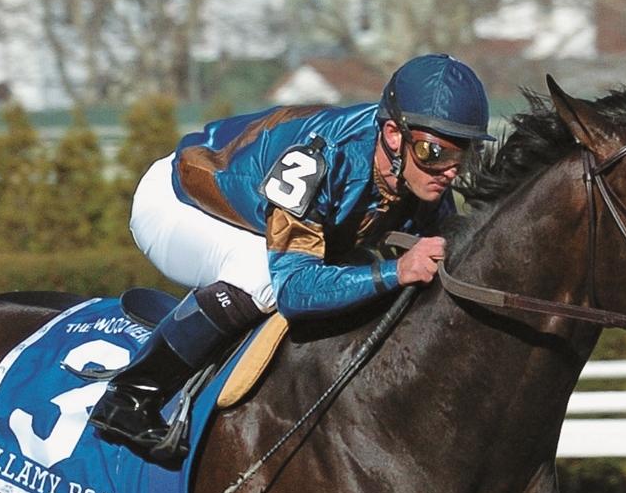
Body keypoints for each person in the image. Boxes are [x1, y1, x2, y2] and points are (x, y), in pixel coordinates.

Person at [88, 53, 492, 462]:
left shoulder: (418, 171)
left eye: (464, 156)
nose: (450, 172)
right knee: (260, 276)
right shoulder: (321, 157)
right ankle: (130, 397)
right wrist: (395, 271)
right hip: (179, 203)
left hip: (254, 214)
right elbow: (295, 290)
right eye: (433, 153)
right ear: (392, 135)